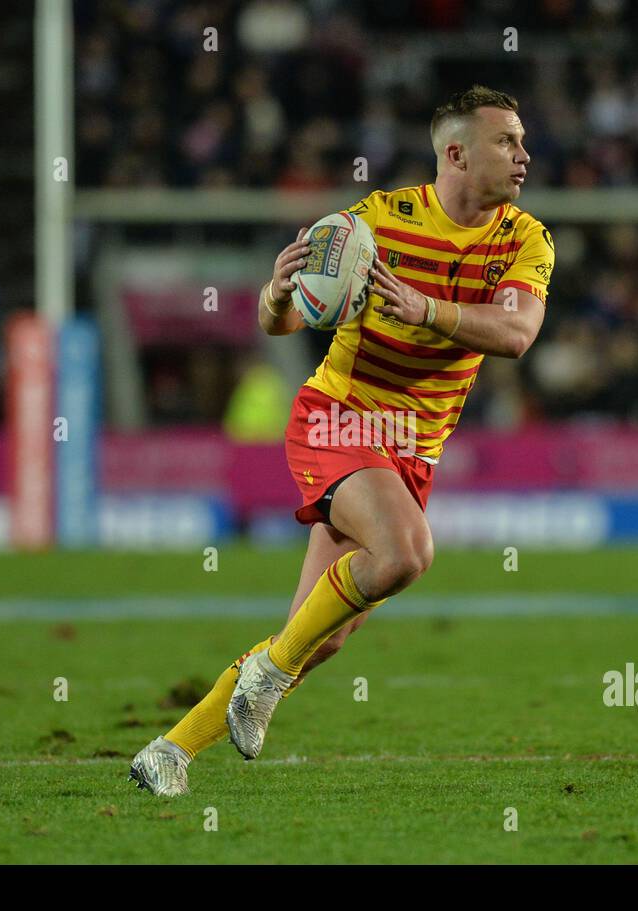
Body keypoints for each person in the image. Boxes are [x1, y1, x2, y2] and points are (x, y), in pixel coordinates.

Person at [131, 85, 554, 795]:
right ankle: (266, 674)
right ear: (455, 152)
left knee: (318, 635)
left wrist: (426, 308)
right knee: (407, 550)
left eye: (521, 141)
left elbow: (515, 333)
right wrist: (273, 296)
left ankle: (170, 751)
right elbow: (291, 317)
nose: (524, 154)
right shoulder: (376, 221)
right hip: (341, 416)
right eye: (506, 141)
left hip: (410, 452)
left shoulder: (525, 238)